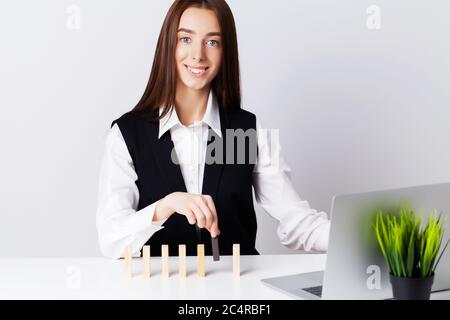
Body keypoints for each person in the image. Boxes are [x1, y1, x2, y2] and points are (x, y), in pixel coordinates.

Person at [96, 0, 330, 259]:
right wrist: (166, 205)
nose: (197, 55)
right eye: (186, 39)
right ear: (168, 45)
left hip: (238, 291)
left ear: (225, 52)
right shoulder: (127, 134)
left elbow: (297, 222)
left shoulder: (248, 130)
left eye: (212, 42)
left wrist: (361, 235)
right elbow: (111, 239)